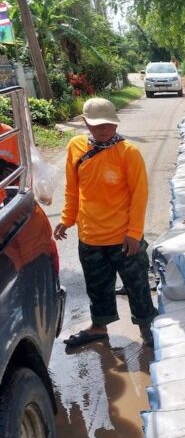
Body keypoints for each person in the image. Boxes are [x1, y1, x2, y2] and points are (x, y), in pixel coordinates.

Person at [54, 97, 157, 347]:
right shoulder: (76, 147)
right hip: (90, 236)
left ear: (115, 123)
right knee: (97, 286)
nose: (103, 129)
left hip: (123, 238)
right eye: (97, 124)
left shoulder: (128, 153)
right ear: (85, 122)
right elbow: (72, 188)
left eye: (108, 124)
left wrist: (134, 233)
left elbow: (139, 195)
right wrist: (67, 219)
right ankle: (99, 327)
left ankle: (146, 327)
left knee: (137, 285)